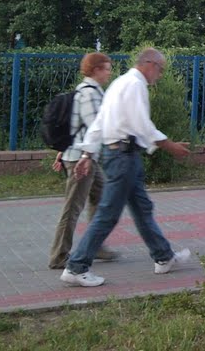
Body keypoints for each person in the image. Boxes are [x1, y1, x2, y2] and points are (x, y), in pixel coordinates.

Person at [60, 48, 193, 287]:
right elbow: (141, 123)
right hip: (123, 157)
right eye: (161, 69)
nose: (161, 74)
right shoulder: (134, 85)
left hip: (122, 155)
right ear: (150, 64)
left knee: (142, 208)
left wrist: (88, 153)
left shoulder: (120, 83)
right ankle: (76, 267)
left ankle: (164, 256)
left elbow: (100, 122)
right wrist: (170, 145)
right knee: (108, 213)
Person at [48, 53, 120, 269]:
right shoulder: (89, 94)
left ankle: (95, 245)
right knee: (72, 208)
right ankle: (59, 256)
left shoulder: (91, 91)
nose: (109, 73)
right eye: (107, 68)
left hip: (86, 157)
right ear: (96, 70)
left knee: (102, 196)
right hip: (81, 159)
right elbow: (95, 127)